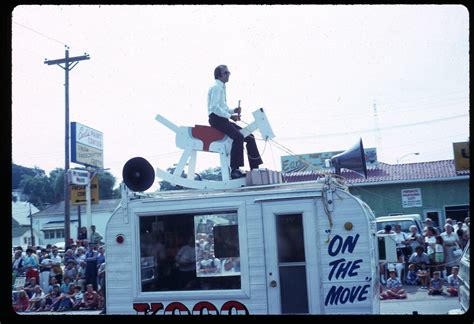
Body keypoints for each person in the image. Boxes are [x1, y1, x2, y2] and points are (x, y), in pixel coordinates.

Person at [207, 64, 263, 179]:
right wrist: (230, 116)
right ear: (219, 75)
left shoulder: (221, 86)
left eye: (229, 73)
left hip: (222, 118)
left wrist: (233, 111)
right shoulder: (217, 87)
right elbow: (214, 108)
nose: (228, 75)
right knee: (238, 137)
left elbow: (223, 108)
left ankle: (255, 167)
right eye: (226, 73)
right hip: (216, 119)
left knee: (249, 136)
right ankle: (235, 170)